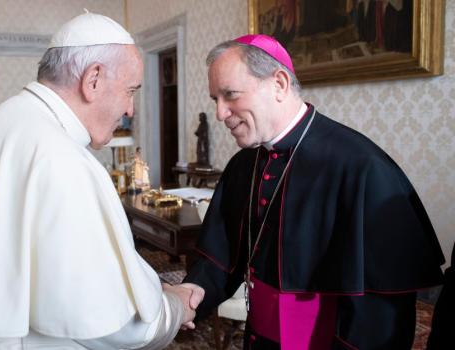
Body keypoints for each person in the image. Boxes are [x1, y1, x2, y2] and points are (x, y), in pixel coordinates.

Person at [0, 10, 203, 349]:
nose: (130, 110)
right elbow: (112, 325)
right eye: (131, 91)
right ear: (93, 79)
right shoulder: (61, 158)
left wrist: (151, 292)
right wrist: (174, 308)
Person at [182, 34, 445, 349]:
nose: (220, 113)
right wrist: (191, 292)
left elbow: (378, 314)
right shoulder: (244, 163)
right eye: (216, 99)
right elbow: (220, 255)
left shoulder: (361, 167)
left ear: (279, 84)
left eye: (230, 95)